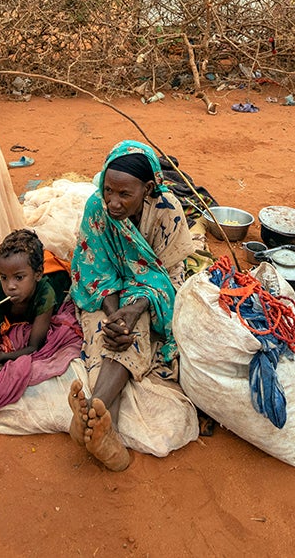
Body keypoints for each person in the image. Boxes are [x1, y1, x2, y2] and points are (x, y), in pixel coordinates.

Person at [66, 141, 199, 471]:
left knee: (135, 330)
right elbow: (92, 269)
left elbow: (169, 277)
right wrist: (115, 316)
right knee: (112, 335)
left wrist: (135, 309)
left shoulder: (168, 214)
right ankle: (100, 423)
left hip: (153, 291)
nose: (113, 202)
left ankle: (93, 412)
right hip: (106, 292)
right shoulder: (97, 207)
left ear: (148, 188)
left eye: (124, 194)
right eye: (108, 190)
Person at [0, 229, 59, 376]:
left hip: (59, 278)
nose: (10, 286)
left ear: (38, 274)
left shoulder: (45, 294)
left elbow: (34, 347)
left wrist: (2, 357)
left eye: (19, 278)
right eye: (4, 277)